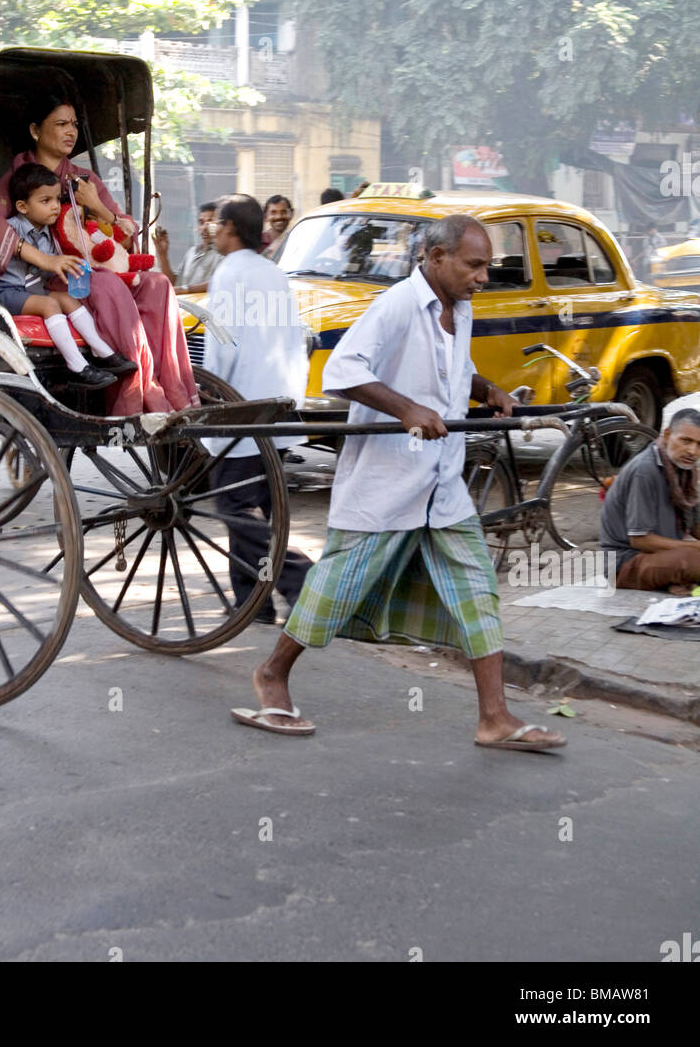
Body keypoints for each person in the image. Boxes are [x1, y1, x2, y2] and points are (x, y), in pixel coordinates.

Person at [231, 213, 567, 751]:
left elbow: (451, 369)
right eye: (474, 265)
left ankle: (495, 717)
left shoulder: (461, 308)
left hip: (442, 485)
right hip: (387, 482)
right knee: (337, 588)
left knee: (479, 590)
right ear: (436, 259)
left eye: (486, 267)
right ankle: (273, 674)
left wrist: (487, 390)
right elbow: (342, 370)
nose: (483, 277)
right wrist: (406, 407)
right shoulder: (396, 306)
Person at [0, 91, 198, 416]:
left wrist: (96, 206)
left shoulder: (84, 179)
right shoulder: (20, 177)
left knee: (158, 285)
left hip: (94, 271)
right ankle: (138, 392)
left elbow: (126, 232)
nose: (71, 131)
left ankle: (176, 390)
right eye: (61, 124)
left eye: (74, 124)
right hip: (52, 280)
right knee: (106, 286)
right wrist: (44, 259)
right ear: (36, 131)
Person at [204, 193, 313, 624]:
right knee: (255, 511)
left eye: (217, 224)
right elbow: (294, 339)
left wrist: (209, 398)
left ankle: (300, 578)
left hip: (242, 407)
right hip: (279, 405)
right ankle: (254, 604)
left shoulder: (229, 274)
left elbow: (222, 346)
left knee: (235, 509)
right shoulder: (273, 273)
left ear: (230, 227)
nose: (213, 231)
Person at [0, 162, 136, 389]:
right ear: (23, 207)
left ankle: (102, 352)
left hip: (29, 290)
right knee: (49, 305)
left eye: (56, 199)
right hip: (2, 291)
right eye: (46, 201)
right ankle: (77, 367)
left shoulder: (49, 234)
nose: (55, 206)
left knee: (67, 299)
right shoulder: (11, 230)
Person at [600, 409, 700, 593]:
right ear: (668, 435)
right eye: (686, 441)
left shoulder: (686, 469)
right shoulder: (644, 471)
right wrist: (694, 546)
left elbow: (695, 525)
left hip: (661, 556)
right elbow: (640, 540)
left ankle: (676, 581)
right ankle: (676, 579)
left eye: (699, 445)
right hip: (626, 563)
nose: (692, 451)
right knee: (693, 559)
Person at [153, 202, 223, 293]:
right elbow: (174, 284)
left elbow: (219, 283)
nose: (204, 228)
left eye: (210, 222)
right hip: (183, 306)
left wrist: (186, 290)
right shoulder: (192, 252)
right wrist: (163, 255)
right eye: (201, 222)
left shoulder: (222, 254)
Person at [262, 195, 293, 259]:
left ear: (291, 213)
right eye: (273, 213)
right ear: (265, 217)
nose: (279, 216)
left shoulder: (298, 239)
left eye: (283, 212)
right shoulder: (258, 241)